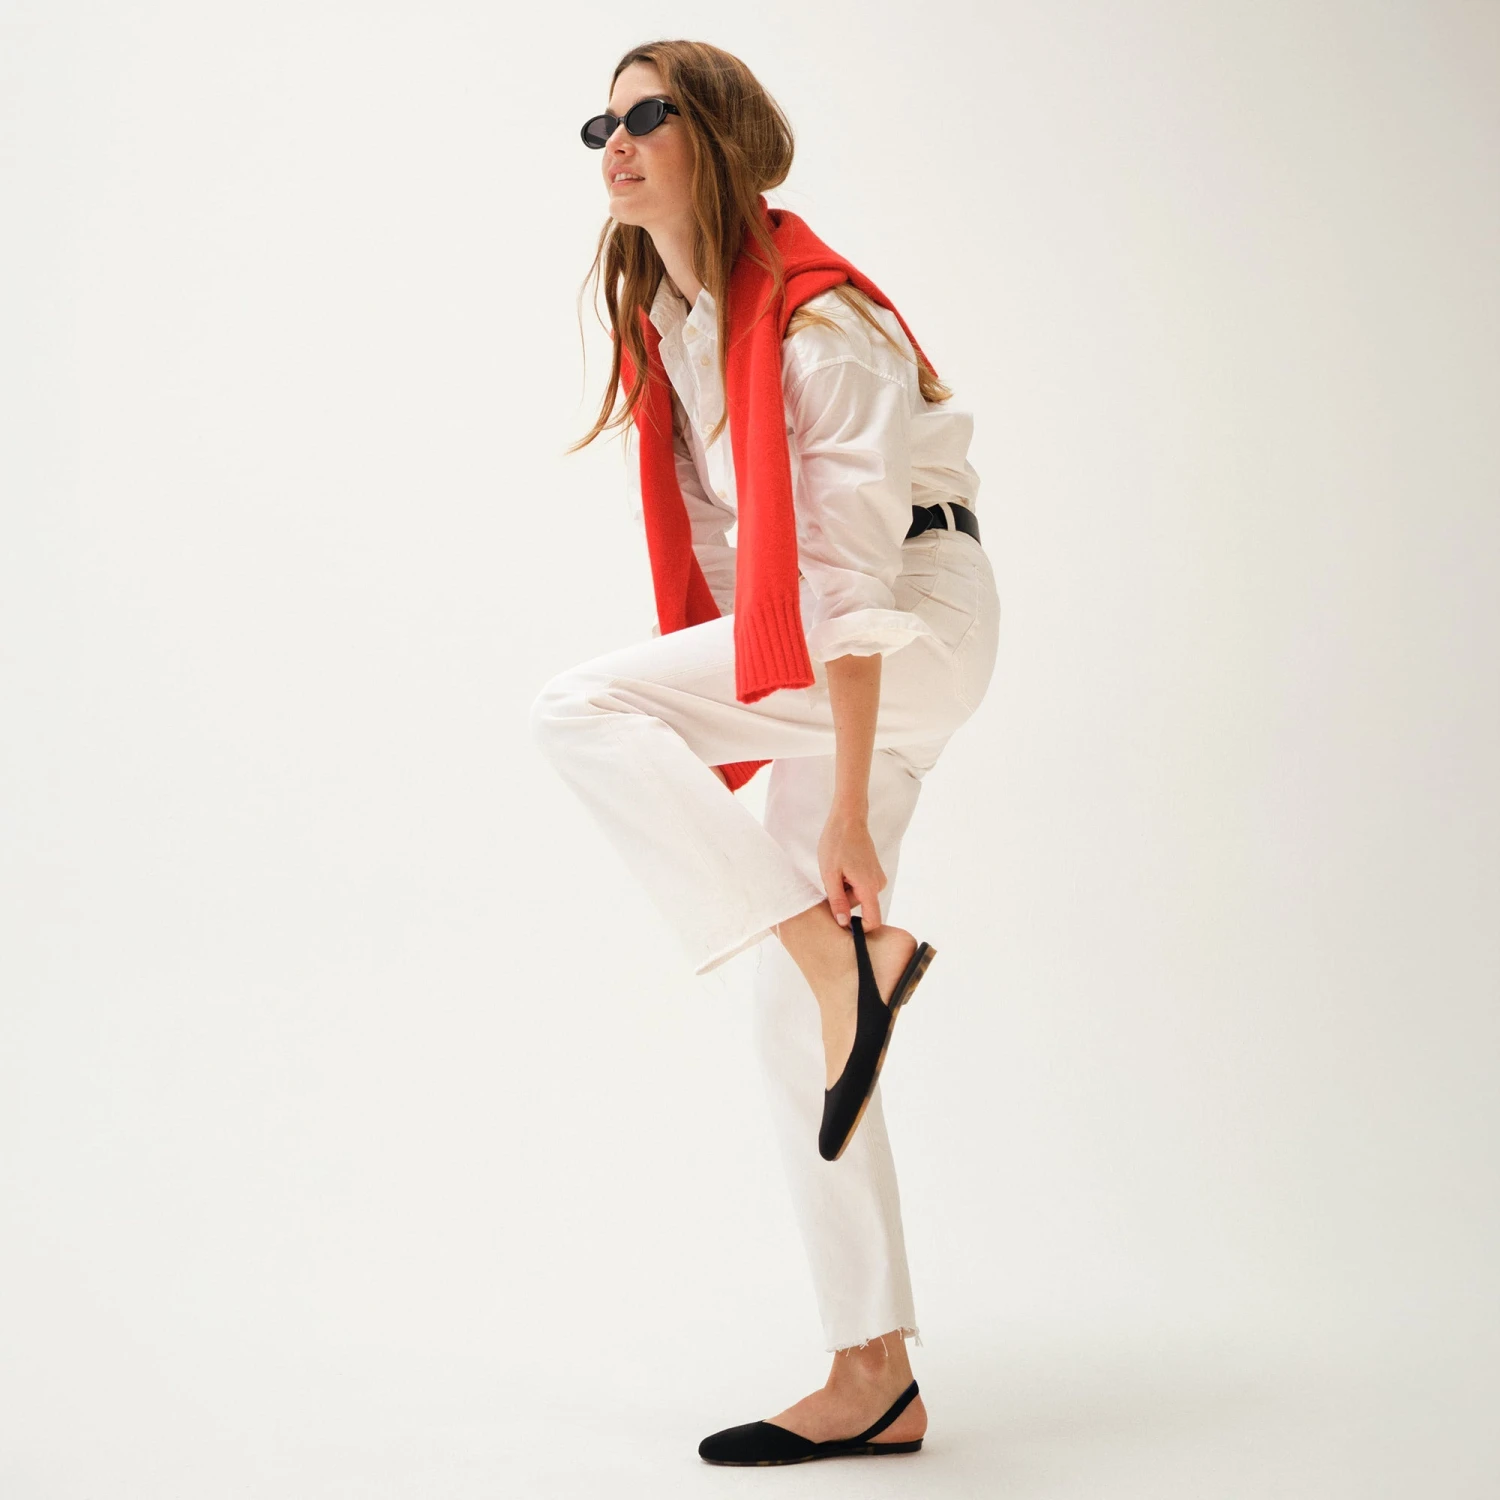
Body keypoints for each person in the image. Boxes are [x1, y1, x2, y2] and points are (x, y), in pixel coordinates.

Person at [529, 40, 999, 1467]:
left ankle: (838, 960)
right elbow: (747, 575)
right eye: (602, 121)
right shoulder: (680, 327)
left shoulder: (818, 323)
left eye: (649, 114)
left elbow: (850, 590)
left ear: (719, 137)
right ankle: (875, 1376)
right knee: (798, 1030)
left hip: (911, 629)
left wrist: (840, 806)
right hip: (837, 649)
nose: (616, 140)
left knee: (582, 709)